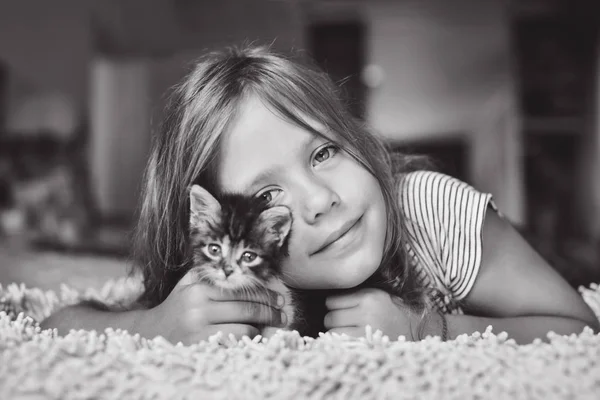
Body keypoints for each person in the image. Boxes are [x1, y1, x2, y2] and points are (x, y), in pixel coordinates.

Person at [41, 45, 599, 345]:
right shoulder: (236, 276)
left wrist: (428, 328)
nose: (320, 199)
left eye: (324, 153)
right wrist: (152, 325)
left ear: (356, 141)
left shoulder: (431, 211)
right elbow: (56, 324)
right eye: (267, 194)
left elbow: (580, 328)